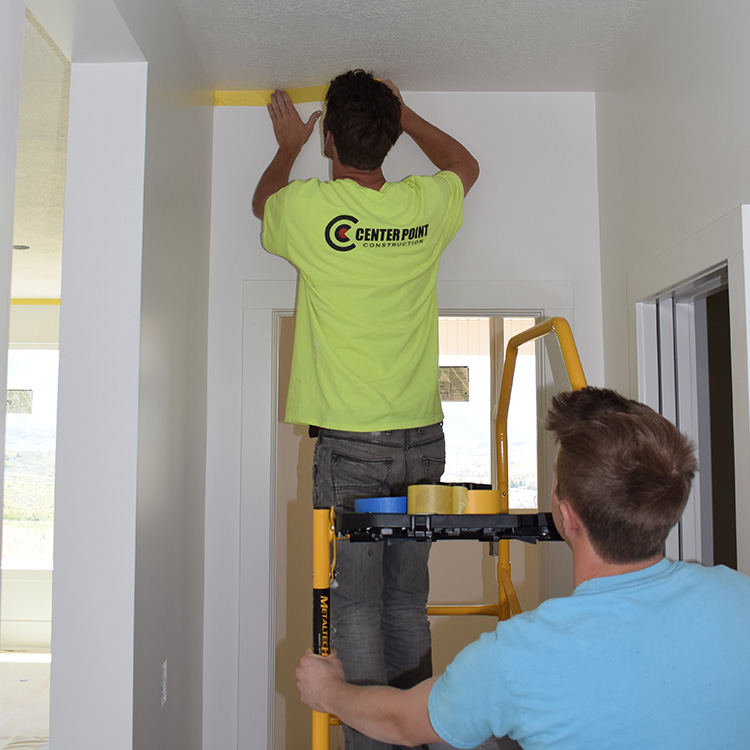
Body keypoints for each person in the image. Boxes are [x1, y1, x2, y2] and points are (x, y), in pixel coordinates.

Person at [296, 386, 750, 749]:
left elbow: (402, 723)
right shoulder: (739, 597)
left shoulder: (515, 658)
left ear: (566, 516)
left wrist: (327, 691)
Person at [253, 69, 479, 750]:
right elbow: (464, 165)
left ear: (329, 141)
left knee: (353, 603)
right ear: (388, 140)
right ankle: (413, 735)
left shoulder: (311, 211)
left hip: (353, 444)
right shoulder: (423, 204)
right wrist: (405, 115)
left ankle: (372, 744)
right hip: (422, 442)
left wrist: (287, 146)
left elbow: (264, 202)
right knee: (406, 600)